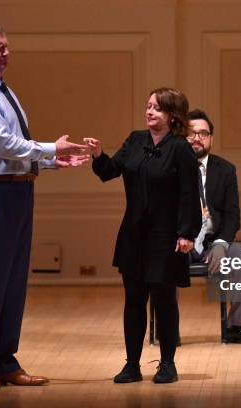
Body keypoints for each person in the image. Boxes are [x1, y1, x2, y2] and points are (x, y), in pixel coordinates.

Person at [0, 21, 88, 391]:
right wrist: (49, 149)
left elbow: (14, 147)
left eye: (7, 46)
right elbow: (4, 145)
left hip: (15, 192)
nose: (7, 53)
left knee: (12, 284)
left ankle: (3, 363)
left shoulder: (1, 90)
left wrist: (48, 162)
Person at [85, 88, 201, 384]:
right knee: (133, 300)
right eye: (148, 106)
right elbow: (110, 171)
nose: (150, 112)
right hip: (134, 233)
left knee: (164, 300)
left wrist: (187, 232)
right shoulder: (136, 141)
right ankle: (132, 364)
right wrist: (98, 154)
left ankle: (167, 364)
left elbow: (190, 193)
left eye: (157, 108)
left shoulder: (180, 148)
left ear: (172, 115)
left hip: (166, 235)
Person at [187, 109, 241, 344]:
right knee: (162, 261)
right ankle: (167, 330)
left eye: (203, 133)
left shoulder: (226, 170)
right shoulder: (172, 167)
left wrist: (221, 244)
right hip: (180, 243)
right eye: (191, 133)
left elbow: (233, 216)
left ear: (211, 138)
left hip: (212, 243)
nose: (198, 138)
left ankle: (236, 327)